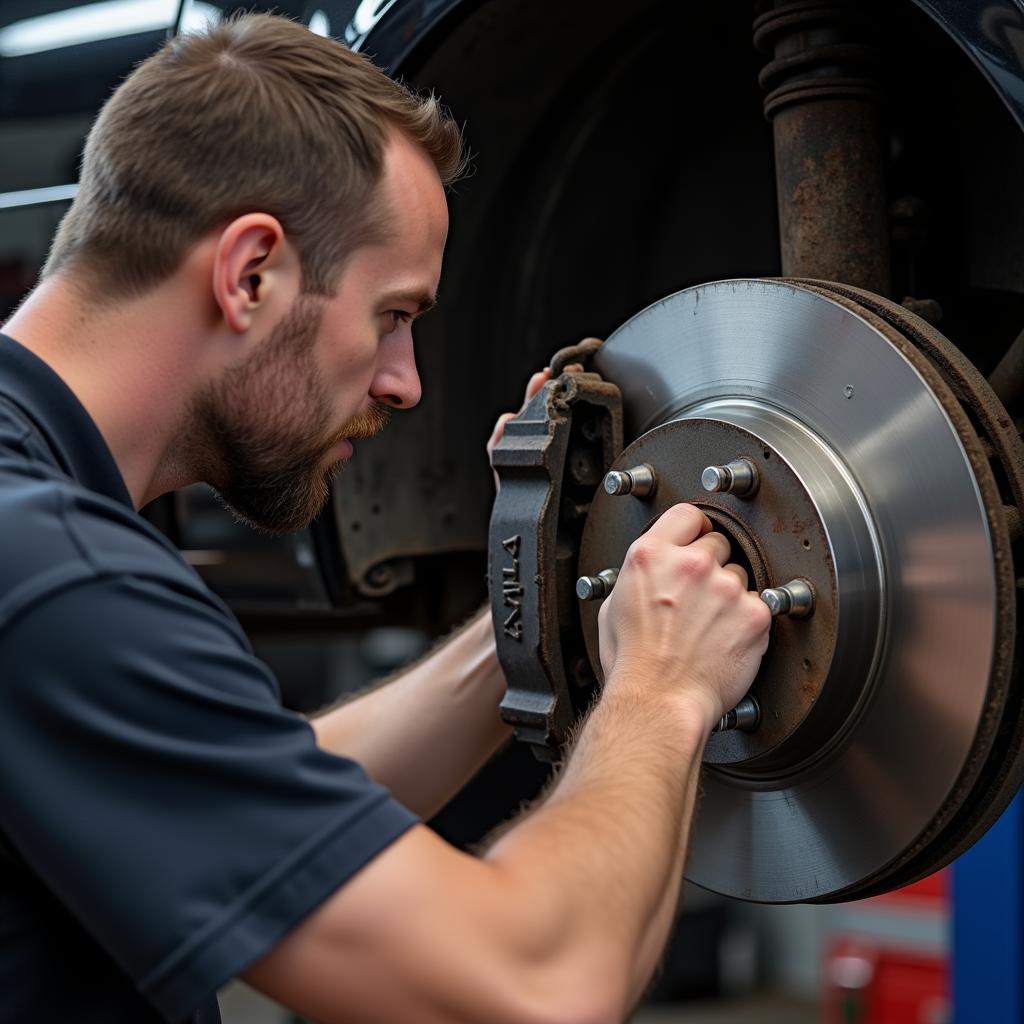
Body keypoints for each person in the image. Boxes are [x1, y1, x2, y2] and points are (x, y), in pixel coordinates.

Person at [0, 13, 771, 1024]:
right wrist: (664, 689)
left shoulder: (40, 524)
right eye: (393, 316)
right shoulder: (55, 571)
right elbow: (531, 987)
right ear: (251, 274)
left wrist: (536, 599)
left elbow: (255, 793)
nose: (406, 384)